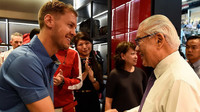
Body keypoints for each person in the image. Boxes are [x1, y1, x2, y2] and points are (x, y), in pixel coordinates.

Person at [0, 1, 77, 112]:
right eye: (70, 25)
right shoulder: (25, 60)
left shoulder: (45, 60)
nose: (74, 33)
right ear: (49, 21)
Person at [126, 14, 200, 112]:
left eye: (139, 41)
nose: (137, 48)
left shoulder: (179, 81)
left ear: (159, 40)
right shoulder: (164, 74)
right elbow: (152, 107)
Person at [105, 41, 147, 112]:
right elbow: (108, 100)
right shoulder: (114, 74)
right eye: (132, 54)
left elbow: (145, 97)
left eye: (136, 53)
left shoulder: (141, 73)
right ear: (123, 56)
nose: (136, 57)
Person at [73, 32, 104, 112]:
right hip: (77, 100)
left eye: (87, 43)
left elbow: (99, 88)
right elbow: (72, 85)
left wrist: (92, 80)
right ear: (76, 47)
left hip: (93, 100)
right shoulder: (73, 62)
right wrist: (86, 72)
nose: (85, 47)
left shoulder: (97, 62)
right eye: (80, 44)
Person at [54, 48, 82, 112]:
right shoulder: (39, 50)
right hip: (41, 104)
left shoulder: (73, 53)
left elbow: (79, 82)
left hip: (66, 106)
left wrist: (63, 82)